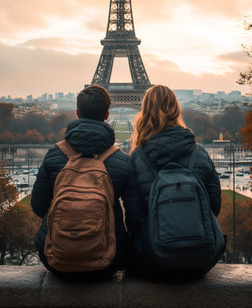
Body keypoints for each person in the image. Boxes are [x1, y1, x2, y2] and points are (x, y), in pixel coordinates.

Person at [31, 84, 137, 280]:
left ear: (77, 113)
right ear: (107, 115)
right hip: (109, 260)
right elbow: (135, 217)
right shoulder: (122, 161)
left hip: (56, 258)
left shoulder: (54, 155)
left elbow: (38, 206)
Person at [126, 84, 223, 280]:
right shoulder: (199, 153)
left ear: (144, 112)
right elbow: (213, 206)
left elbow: (134, 220)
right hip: (200, 260)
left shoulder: (137, 158)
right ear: (176, 109)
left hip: (154, 260)